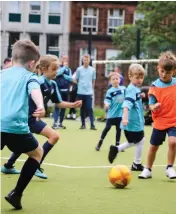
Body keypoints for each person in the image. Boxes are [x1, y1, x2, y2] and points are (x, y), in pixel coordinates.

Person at [1, 55, 82, 179]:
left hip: (33, 119)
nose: (56, 72)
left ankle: (8, 165)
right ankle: (35, 166)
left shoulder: (53, 85)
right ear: (44, 69)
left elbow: (59, 103)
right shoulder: (36, 81)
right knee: (53, 136)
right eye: (54, 69)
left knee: (25, 144)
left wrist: (73, 104)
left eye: (58, 68)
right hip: (27, 118)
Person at [1, 39, 45, 209]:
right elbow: (35, 89)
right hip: (14, 126)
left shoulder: (2, 74)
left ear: (13, 60)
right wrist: (41, 106)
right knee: (37, 153)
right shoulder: (30, 76)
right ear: (32, 63)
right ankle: (16, 194)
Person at [139, 51, 176, 179]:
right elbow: (150, 104)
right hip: (160, 120)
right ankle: (147, 169)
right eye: (162, 71)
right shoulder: (154, 86)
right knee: (154, 147)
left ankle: (170, 167)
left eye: (168, 72)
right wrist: (153, 107)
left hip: (173, 120)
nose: (164, 75)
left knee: (173, 142)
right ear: (158, 69)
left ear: (174, 72)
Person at [108, 64, 145, 171]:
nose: (140, 80)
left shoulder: (134, 89)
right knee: (139, 140)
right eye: (137, 77)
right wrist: (125, 118)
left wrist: (141, 95)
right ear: (130, 76)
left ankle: (135, 163)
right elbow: (126, 105)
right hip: (133, 123)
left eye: (141, 77)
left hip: (135, 123)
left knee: (138, 141)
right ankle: (119, 150)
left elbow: (134, 99)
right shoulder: (132, 90)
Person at [95, 73, 126, 151]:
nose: (115, 80)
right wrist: (107, 104)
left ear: (120, 80)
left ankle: (118, 145)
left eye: (117, 79)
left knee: (119, 130)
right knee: (107, 128)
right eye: (113, 79)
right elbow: (107, 100)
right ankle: (100, 142)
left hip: (120, 114)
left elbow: (129, 96)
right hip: (111, 115)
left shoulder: (123, 89)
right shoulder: (110, 91)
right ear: (111, 82)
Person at [75, 54, 97, 130]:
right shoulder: (79, 69)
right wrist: (80, 86)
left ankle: (92, 125)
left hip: (89, 93)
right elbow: (76, 79)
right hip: (80, 92)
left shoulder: (93, 70)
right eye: (84, 60)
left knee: (89, 108)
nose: (86, 61)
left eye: (87, 59)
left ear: (89, 60)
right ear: (82, 60)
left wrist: (92, 88)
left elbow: (93, 80)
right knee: (82, 108)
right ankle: (83, 124)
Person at [53, 55, 72, 129]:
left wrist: (64, 76)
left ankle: (60, 123)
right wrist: (63, 67)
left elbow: (70, 79)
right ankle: (55, 123)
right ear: (61, 59)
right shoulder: (58, 67)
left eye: (66, 59)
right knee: (57, 106)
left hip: (66, 90)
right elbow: (57, 73)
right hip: (58, 90)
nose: (65, 60)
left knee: (64, 106)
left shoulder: (69, 69)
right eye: (64, 58)